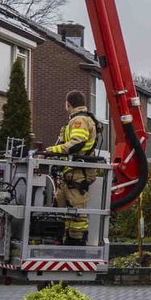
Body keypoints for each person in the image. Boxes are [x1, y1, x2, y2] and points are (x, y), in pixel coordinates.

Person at [45, 91, 100, 246]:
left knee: (77, 213)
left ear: (68, 104)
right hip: (69, 174)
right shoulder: (77, 120)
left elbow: (77, 143)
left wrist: (50, 151)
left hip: (78, 175)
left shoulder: (80, 120)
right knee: (60, 206)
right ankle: (62, 239)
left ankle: (76, 243)